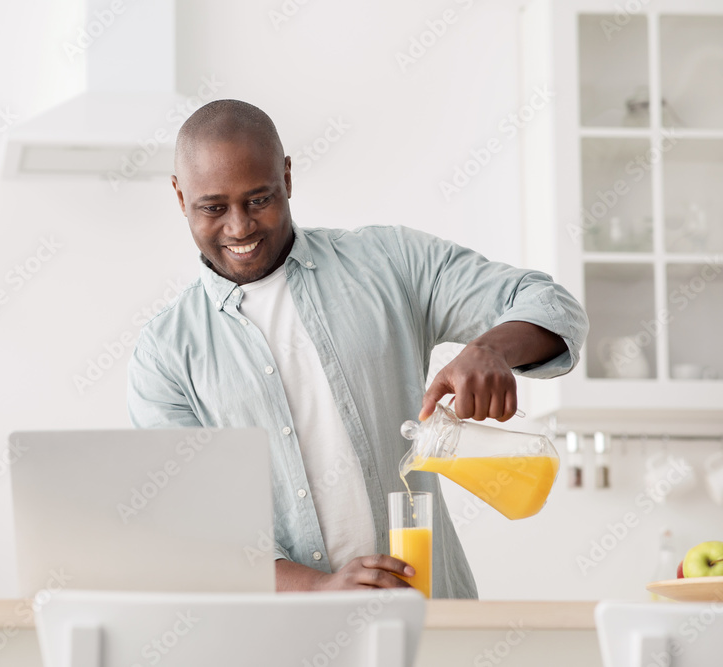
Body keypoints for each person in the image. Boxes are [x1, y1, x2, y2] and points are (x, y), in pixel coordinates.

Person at [126, 99, 588, 597]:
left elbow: (553, 305)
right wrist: (319, 590)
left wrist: (493, 347)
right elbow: (195, 531)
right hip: (279, 642)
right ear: (179, 196)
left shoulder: (389, 263)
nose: (239, 227)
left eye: (259, 200)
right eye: (213, 208)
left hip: (429, 622)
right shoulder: (165, 355)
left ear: (286, 176)